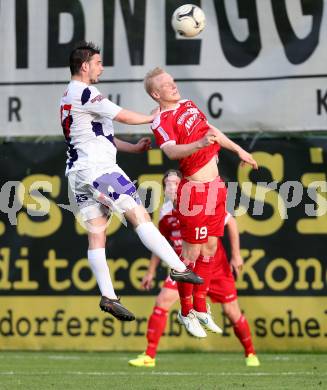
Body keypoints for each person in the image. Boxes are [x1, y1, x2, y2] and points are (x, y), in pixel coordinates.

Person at [60, 42, 203, 322]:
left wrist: (133, 148)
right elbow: (123, 115)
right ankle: (177, 266)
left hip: (77, 174)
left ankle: (109, 296)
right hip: (100, 170)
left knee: (97, 234)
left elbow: (100, 136)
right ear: (85, 65)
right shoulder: (86, 91)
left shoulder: (67, 95)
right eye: (98, 63)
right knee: (139, 216)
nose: (101, 68)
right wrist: (153, 116)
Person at [143, 67, 258, 334]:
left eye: (173, 81)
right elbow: (170, 151)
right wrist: (198, 144)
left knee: (209, 249)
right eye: (166, 85)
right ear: (155, 93)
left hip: (215, 187)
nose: (173, 86)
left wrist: (239, 149)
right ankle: (186, 312)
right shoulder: (161, 119)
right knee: (189, 255)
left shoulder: (187, 104)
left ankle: (201, 306)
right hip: (194, 193)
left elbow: (211, 130)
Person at [128, 170, 260, 368]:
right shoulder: (165, 211)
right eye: (168, 184)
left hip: (215, 267)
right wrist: (151, 271)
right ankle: (149, 356)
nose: (172, 187)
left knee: (232, 312)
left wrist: (236, 255)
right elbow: (160, 243)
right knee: (162, 300)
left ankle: (250, 354)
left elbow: (230, 222)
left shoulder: (199, 201)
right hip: (185, 266)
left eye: (175, 182)